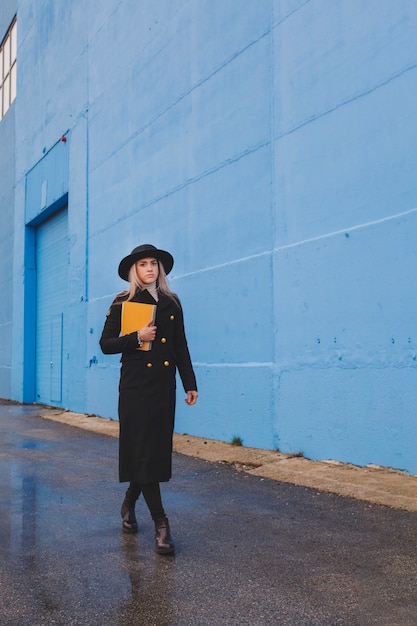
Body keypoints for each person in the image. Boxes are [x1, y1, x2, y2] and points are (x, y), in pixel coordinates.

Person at [100, 244, 198, 555]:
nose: (149, 269)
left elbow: (180, 345)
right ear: (135, 270)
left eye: (153, 263)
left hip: (162, 387)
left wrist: (189, 383)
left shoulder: (172, 302)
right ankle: (161, 524)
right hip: (135, 387)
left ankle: (128, 504)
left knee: (151, 452)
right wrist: (137, 338)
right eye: (143, 264)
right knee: (142, 451)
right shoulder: (123, 302)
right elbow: (106, 344)